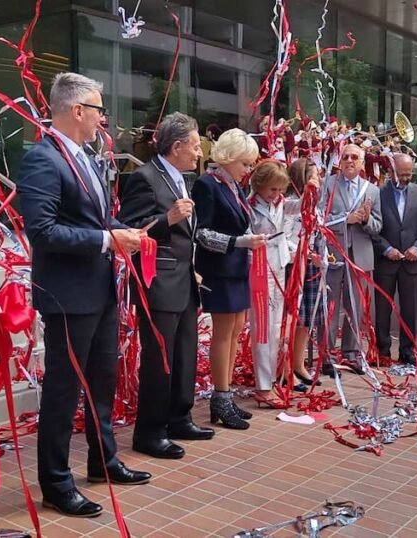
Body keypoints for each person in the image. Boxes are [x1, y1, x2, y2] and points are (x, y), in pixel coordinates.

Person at [18, 72, 151, 518]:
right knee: (63, 388)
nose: (102, 120)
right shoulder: (43, 158)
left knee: (102, 382)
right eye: (98, 110)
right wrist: (105, 241)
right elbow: (42, 230)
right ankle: (56, 482)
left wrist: (118, 231)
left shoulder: (85, 158)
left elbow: (96, 218)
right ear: (77, 111)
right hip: (67, 295)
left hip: (98, 289)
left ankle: (103, 461)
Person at [118, 112, 213, 460]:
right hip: (157, 284)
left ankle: (179, 416)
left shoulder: (180, 178)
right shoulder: (145, 178)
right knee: (160, 361)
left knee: (185, 354)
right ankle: (150, 430)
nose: (200, 152)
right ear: (176, 146)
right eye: (195, 145)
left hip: (184, 281)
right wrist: (166, 219)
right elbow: (128, 229)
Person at [191, 128, 266, 429]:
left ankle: (226, 393)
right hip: (218, 269)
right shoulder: (207, 184)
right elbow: (202, 233)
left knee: (235, 330)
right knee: (224, 333)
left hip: (236, 267)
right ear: (230, 158)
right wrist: (239, 242)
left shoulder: (232, 185)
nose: (247, 170)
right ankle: (220, 397)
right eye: (245, 163)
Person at [247, 160, 318, 407]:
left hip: (279, 266)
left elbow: (298, 207)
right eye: (272, 190)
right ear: (259, 186)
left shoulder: (279, 203)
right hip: (259, 268)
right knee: (263, 329)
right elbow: (245, 237)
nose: (276, 194)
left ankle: (274, 379)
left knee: (277, 327)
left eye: (279, 189)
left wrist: (311, 189)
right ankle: (263, 386)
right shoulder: (250, 207)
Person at [320, 143, 383, 376]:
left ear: (362, 161)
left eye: (354, 157)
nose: (349, 160)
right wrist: (346, 219)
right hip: (333, 252)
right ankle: (326, 355)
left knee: (355, 307)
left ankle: (352, 354)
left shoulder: (373, 191)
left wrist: (365, 220)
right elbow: (319, 218)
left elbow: (378, 227)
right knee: (330, 306)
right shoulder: (328, 184)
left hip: (361, 256)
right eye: (345, 156)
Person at [372, 153, 417, 364]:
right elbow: (372, 230)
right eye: (402, 174)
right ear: (391, 172)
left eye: (409, 174)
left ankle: (408, 353)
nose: (406, 178)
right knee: (382, 311)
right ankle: (383, 352)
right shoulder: (377, 194)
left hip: (412, 264)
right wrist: (386, 248)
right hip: (385, 263)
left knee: (410, 310)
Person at [286, 157, 324, 385]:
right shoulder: (292, 204)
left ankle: (299, 363)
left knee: (306, 319)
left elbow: (319, 234)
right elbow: (285, 237)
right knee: (294, 318)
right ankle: (286, 366)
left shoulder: (314, 205)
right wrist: (302, 252)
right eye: (313, 176)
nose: (317, 180)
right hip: (295, 267)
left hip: (312, 267)